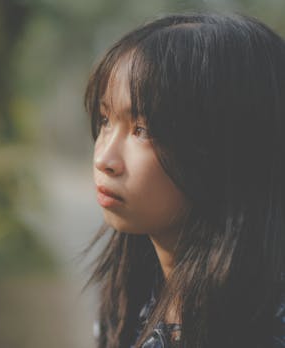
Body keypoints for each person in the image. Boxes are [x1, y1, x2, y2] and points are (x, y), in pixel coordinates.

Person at [84, 12, 285, 348]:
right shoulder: (131, 293)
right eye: (105, 120)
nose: (104, 159)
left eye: (142, 130)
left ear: (224, 149)